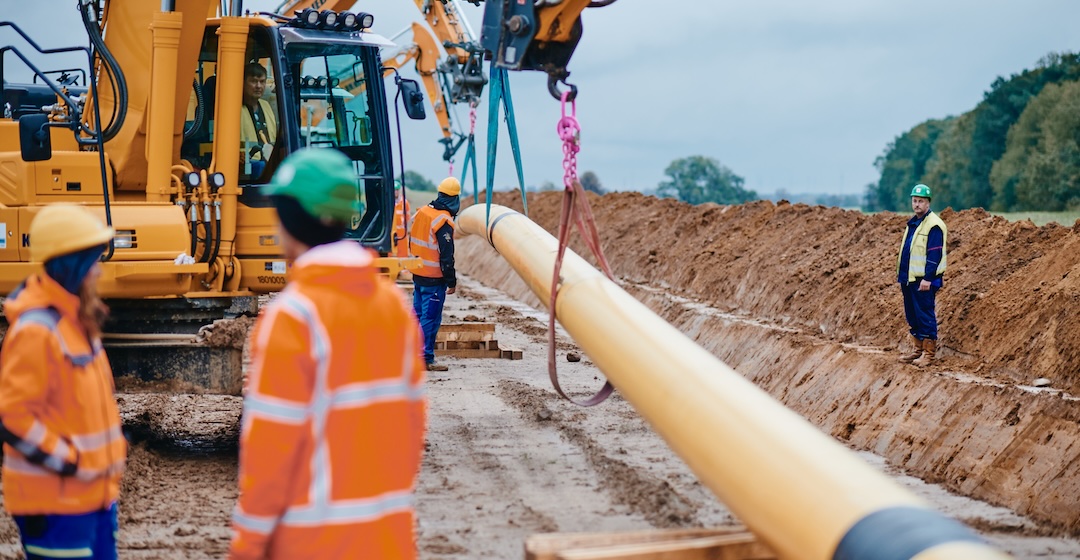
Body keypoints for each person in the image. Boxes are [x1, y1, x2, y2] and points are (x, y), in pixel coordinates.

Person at [229, 148, 427, 560]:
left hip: (313, 543)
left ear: (289, 219)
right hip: (388, 539)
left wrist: (248, 544)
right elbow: (411, 425)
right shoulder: (393, 306)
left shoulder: (294, 315)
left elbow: (270, 450)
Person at [0, 204, 126, 560]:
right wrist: (73, 461)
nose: (98, 271)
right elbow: (13, 419)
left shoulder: (76, 323)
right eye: (92, 262)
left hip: (96, 499)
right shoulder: (36, 331)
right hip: (56, 506)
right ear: (70, 265)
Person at [409, 177, 460, 372]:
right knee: (430, 318)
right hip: (433, 279)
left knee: (418, 315)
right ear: (454, 199)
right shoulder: (443, 221)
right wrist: (451, 281)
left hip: (418, 274)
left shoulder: (423, 212)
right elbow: (446, 256)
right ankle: (425, 358)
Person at [896, 183, 948, 367]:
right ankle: (918, 350)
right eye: (915, 200)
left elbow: (934, 254)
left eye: (921, 201)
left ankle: (928, 354)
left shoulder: (934, 224)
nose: (917, 204)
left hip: (923, 280)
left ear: (928, 203)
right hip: (909, 278)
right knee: (913, 315)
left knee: (925, 314)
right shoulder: (913, 223)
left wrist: (928, 278)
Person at [240, 62, 277, 178]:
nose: (259, 86)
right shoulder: (234, 108)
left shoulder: (266, 105)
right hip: (245, 162)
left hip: (269, 159)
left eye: (262, 81)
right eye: (253, 81)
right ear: (243, 82)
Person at [393, 179, 412, 258]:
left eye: (397, 190)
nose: (395, 192)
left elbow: (407, 217)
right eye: (394, 190)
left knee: (403, 253)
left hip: (402, 232)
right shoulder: (388, 202)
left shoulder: (404, 203)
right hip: (393, 232)